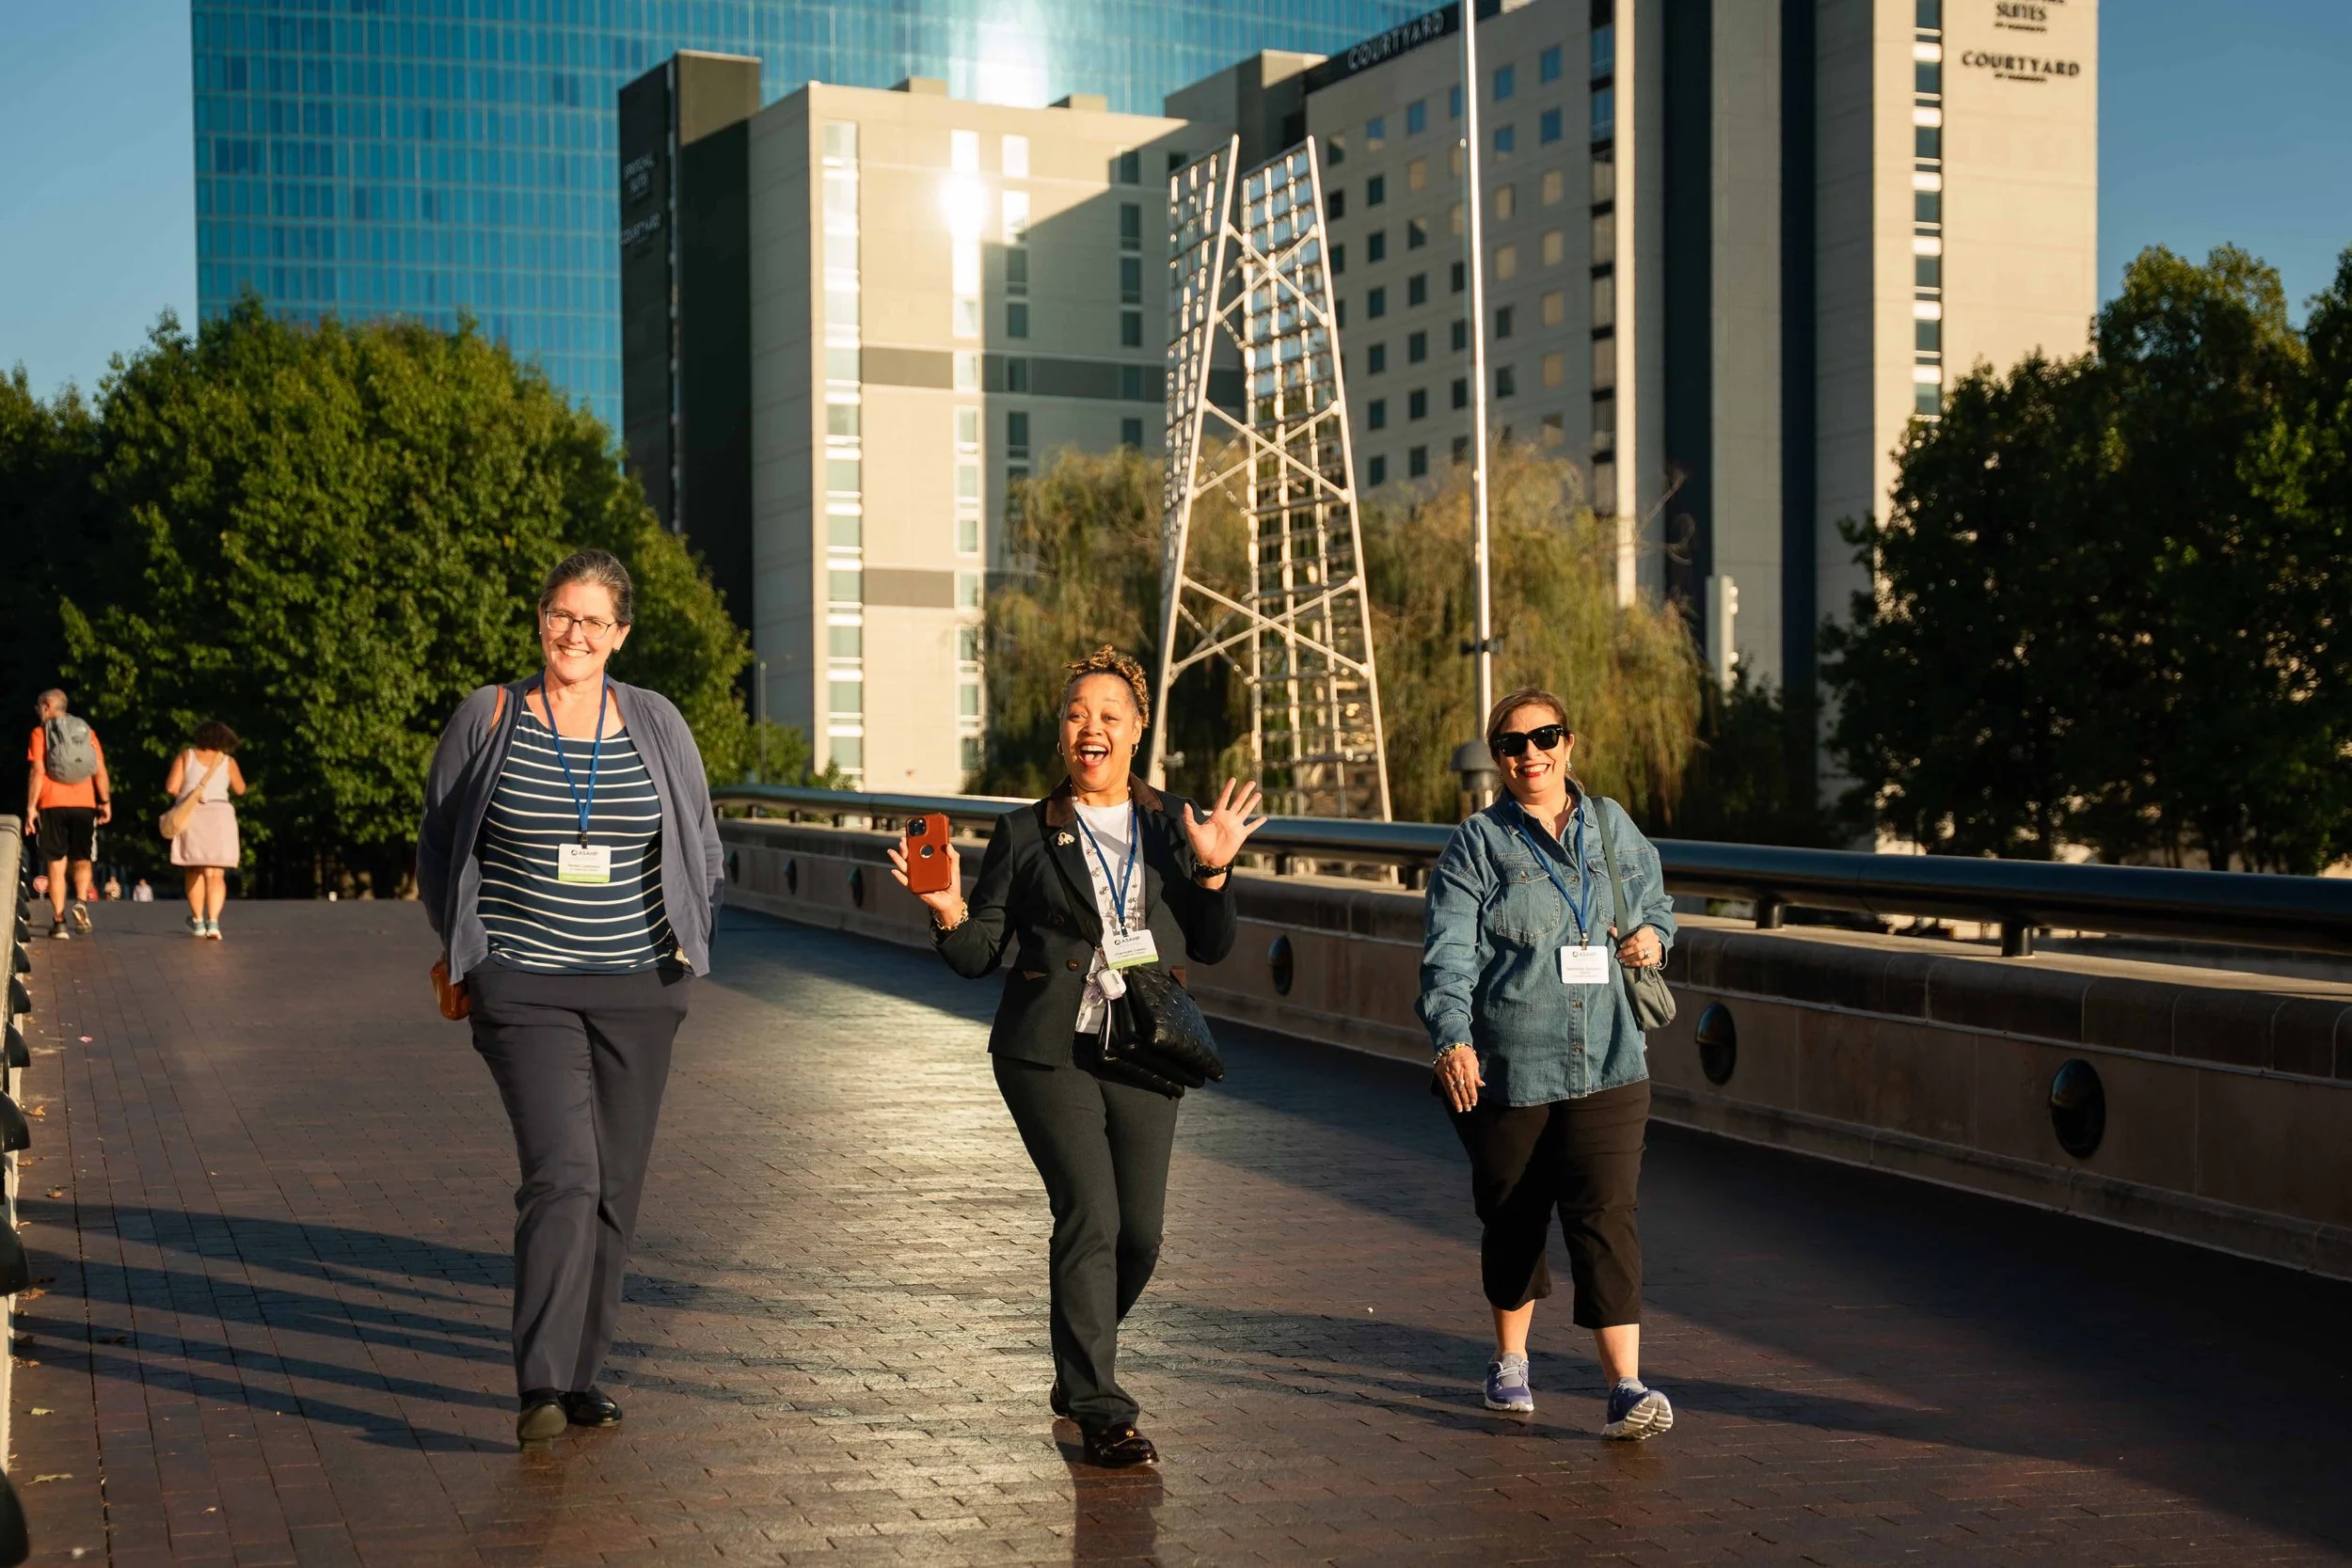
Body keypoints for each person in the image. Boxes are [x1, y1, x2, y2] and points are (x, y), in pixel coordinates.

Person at [891, 647, 1263, 1468]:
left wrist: (1214, 870)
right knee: (1090, 1214)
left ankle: (1077, 1360)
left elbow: (1212, 943)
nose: (1089, 726)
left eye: (1107, 715)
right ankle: (1101, 1407)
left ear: (1135, 733)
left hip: (1146, 1047)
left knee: (1141, 1235)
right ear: (1062, 735)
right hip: (1047, 1049)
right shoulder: (1026, 831)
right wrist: (949, 909)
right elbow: (978, 954)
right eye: (1075, 714)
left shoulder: (1174, 824)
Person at [416, 549, 723, 1446]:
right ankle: (542, 1382)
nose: (574, 634)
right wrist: (469, 949)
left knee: (615, 1187)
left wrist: (690, 947)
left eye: (594, 621)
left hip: (641, 984)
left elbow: (700, 840)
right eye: (561, 615)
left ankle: (584, 1371)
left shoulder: (657, 721)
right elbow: (439, 843)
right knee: (565, 1172)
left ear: (620, 633)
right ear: (540, 619)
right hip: (525, 981)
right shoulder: (492, 714)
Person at [1418, 688, 1678, 1439]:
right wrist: (1452, 1037)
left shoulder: (1609, 824)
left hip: (1609, 1059)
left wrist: (1654, 939)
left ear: (1570, 743)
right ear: (1499, 758)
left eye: (1545, 737)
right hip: (1510, 1065)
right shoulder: (1477, 843)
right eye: (1512, 743)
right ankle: (1509, 1360)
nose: (1530, 753)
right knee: (1513, 1216)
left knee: (1606, 1218)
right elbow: (1450, 956)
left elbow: (1656, 903)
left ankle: (1625, 1385)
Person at [24, 689, 112, 941]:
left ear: (48, 706)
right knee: (83, 858)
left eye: (39, 706)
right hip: (85, 803)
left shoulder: (40, 733)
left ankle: (59, 921)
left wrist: (31, 808)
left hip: (52, 804)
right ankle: (82, 900)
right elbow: (100, 770)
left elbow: (38, 772)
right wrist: (105, 801)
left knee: (57, 862)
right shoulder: (86, 732)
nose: (38, 711)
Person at [164, 722, 248, 940]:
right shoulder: (227, 761)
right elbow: (240, 789)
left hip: (193, 814)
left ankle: (198, 922)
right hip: (220, 816)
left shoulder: (186, 756)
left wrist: (190, 793)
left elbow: (172, 787)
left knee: (194, 870)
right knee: (216, 873)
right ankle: (214, 923)